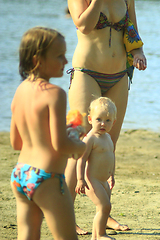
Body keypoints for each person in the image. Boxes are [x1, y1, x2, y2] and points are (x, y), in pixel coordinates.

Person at [65, 0, 147, 234]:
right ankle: (66, 214)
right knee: (78, 146)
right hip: (85, 73)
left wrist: (138, 51)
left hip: (119, 75)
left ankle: (104, 212)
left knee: (108, 145)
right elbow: (84, 26)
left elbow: (131, 28)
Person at [10, 26, 86, 240]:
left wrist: (62, 130)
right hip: (47, 178)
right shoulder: (55, 94)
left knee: (28, 236)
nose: (65, 61)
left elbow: (16, 142)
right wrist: (79, 144)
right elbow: (61, 145)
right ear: (37, 60)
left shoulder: (20, 90)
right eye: (60, 56)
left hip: (21, 174)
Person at [76, 97, 117, 240]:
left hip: (104, 180)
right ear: (90, 119)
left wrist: (111, 175)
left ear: (114, 122)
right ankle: (101, 234)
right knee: (105, 207)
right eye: (98, 119)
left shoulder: (108, 137)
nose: (102, 124)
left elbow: (111, 156)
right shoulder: (90, 139)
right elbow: (81, 159)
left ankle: (95, 237)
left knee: (103, 208)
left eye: (107, 120)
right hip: (92, 180)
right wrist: (80, 179)